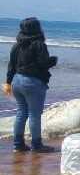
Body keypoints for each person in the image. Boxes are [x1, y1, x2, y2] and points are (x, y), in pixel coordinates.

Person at [3, 17, 58, 153]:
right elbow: (44, 63)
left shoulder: (17, 45)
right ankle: (37, 145)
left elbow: (11, 66)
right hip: (32, 83)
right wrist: (54, 60)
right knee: (34, 114)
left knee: (21, 113)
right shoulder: (39, 44)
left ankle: (18, 144)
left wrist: (8, 83)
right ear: (37, 28)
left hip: (17, 81)